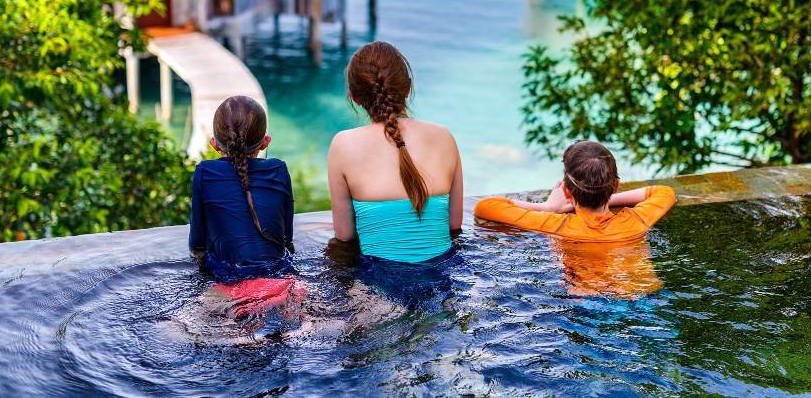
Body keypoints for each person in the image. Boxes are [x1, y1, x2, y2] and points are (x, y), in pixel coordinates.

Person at [328, 41, 464, 263]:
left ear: (354, 96)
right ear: (408, 87)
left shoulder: (343, 144)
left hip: (378, 283)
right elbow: (454, 225)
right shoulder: (444, 137)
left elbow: (345, 235)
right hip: (439, 277)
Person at [189, 96, 305, 319]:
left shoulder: (204, 172)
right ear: (265, 143)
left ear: (214, 144)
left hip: (229, 289)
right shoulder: (279, 169)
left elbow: (197, 244)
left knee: (176, 330)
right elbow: (286, 238)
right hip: (281, 283)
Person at [474, 140, 676, 244]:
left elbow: (486, 206)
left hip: (586, 302)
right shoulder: (637, 220)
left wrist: (550, 207)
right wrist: (608, 196)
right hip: (642, 296)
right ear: (615, 186)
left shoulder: (557, 225)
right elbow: (664, 192)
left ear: (567, 191)